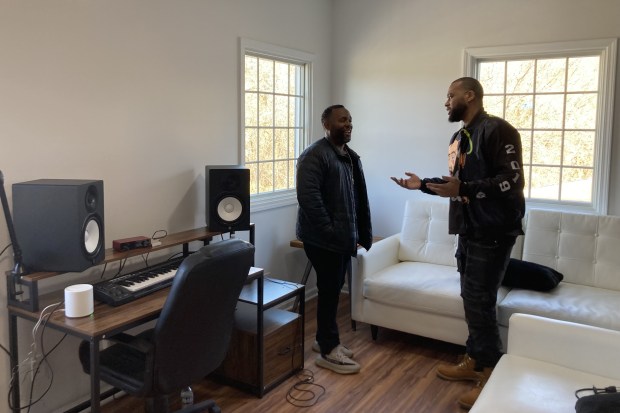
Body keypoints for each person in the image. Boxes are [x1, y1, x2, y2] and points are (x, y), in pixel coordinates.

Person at [391, 77, 525, 409]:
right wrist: (420, 184)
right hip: (468, 229)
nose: (446, 102)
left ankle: (492, 375)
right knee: (470, 297)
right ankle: (474, 360)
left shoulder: (498, 130)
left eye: (450, 96)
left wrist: (464, 190)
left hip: (493, 231)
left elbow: (512, 180)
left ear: (470, 96)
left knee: (480, 300)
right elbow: (457, 184)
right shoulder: (459, 137)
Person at [296, 104, 373, 374]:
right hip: (321, 239)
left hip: (339, 238)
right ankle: (329, 351)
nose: (348, 124)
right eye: (342, 120)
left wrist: (360, 233)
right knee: (329, 290)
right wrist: (331, 232)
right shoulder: (314, 156)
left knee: (331, 289)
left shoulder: (348, 157)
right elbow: (309, 200)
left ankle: (322, 339)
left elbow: (354, 200)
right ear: (326, 124)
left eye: (350, 119)